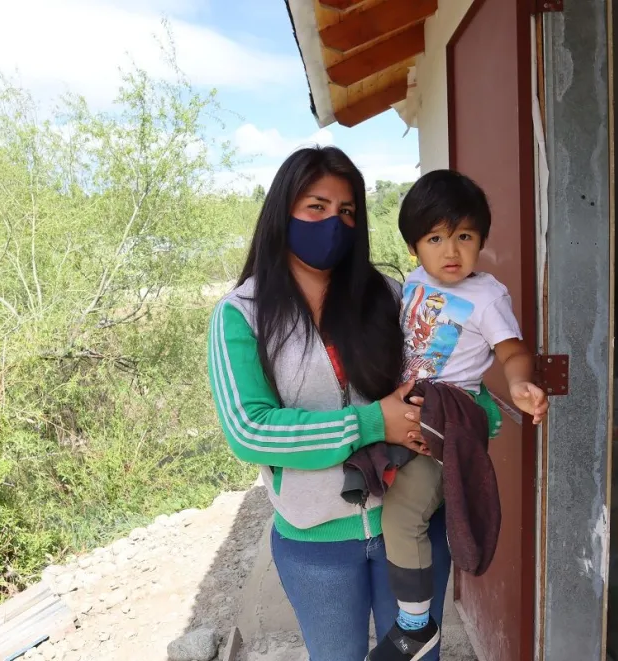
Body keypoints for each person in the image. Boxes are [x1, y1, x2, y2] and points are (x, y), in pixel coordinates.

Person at [207, 146, 452, 661]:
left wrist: (483, 408)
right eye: (316, 207)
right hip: (315, 543)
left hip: (407, 526)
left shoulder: (389, 295)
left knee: (415, 657)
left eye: (346, 211)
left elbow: (441, 380)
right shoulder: (241, 315)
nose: (333, 223)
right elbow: (250, 430)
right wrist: (372, 422)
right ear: (282, 212)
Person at [367, 169, 550, 661]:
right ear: (414, 247)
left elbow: (512, 352)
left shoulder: (487, 296)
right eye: (436, 237)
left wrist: (519, 385)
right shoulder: (414, 283)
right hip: (405, 410)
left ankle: (414, 625)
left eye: (464, 236)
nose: (452, 251)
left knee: (402, 516)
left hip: (442, 425)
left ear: (481, 240)